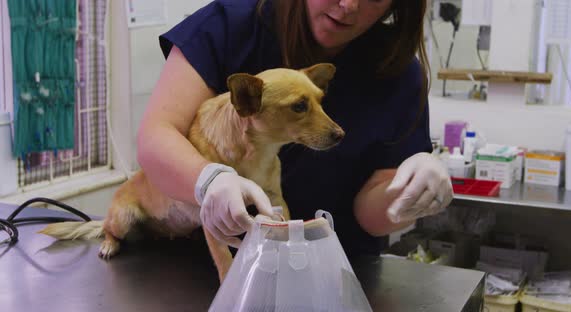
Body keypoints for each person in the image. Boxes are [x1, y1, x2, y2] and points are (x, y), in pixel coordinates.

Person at [138, 0, 453, 256]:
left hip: (335, 270)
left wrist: (410, 191)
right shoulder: (228, 27)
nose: (349, 5)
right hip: (203, 264)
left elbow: (370, 216)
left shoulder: (396, 72)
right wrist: (208, 180)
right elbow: (156, 137)